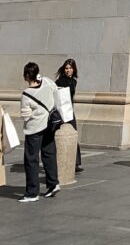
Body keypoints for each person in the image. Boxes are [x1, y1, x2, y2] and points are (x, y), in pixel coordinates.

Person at [19, 62, 60, 202]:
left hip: (34, 129)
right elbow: (56, 98)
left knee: (31, 159)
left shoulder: (26, 94)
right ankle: (53, 184)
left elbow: (25, 115)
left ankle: (32, 193)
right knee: (49, 154)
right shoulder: (48, 82)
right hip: (50, 125)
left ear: (26, 76)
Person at [55, 58, 83, 173]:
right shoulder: (60, 82)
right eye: (66, 68)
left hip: (70, 110)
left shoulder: (74, 81)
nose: (68, 70)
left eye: (70, 68)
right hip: (63, 112)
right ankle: (66, 161)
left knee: (73, 134)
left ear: (74, 69)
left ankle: (75, 162)